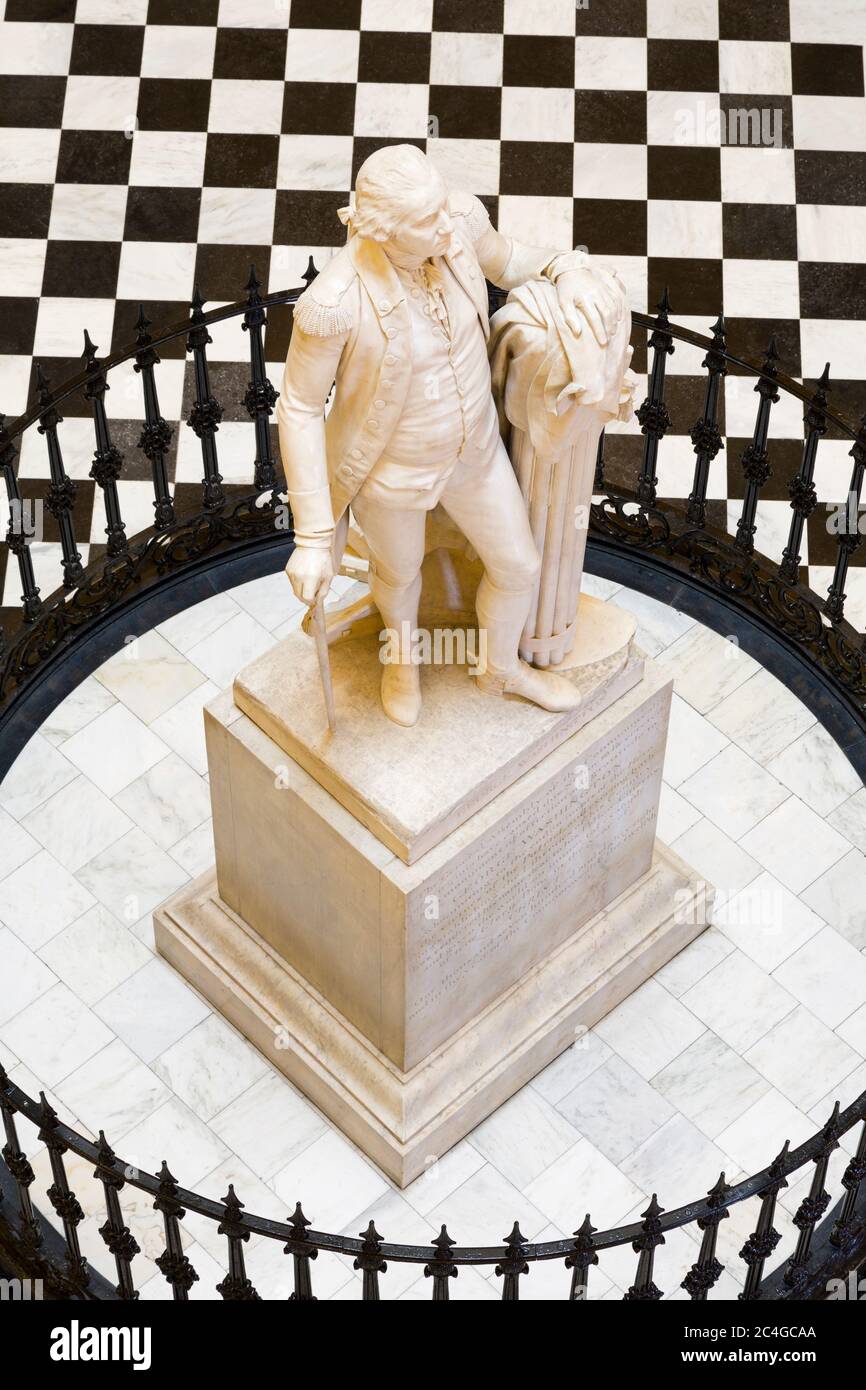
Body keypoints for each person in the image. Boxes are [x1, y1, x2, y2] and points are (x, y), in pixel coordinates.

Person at [278, 144, 626, 727]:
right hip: (394, 473)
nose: (445, 228)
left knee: (519, 566)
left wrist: (567, 270)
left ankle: (499, 669)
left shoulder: (456, 223)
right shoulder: (333, 303)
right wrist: (313, 537)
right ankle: (402, 663)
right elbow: (299, 409)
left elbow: (512, 258)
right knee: (399, 574)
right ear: (380, 231)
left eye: (442, 208)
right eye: (425, 222)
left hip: (476, 455)